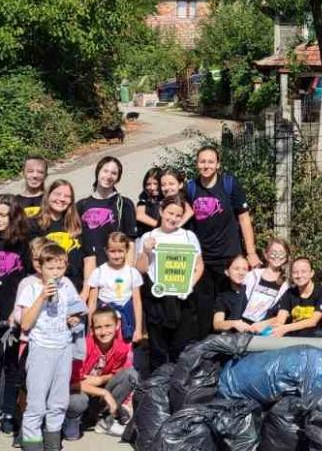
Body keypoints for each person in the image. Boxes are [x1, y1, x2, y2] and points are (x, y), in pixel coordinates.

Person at [14, 242, 85, 451]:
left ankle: (52, 450)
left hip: (63, 347)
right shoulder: (31, 289)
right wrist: (42, 297)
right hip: (41, 349)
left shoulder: (67, 286)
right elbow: (25, 323)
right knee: (36, 404)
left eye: (61, 267)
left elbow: (76, 311)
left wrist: (73, 319)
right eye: (51, 267)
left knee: (59, 401)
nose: (56, 273)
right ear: (40, 266)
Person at [188, 145, 258, 338]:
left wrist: (250, 252)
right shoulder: (191, 188)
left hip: (228, 256)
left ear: (218, 164)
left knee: (230, 303)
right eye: (202, 161)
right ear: (197, 164)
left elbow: (244, 219)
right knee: (203, 306)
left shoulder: (229, 184)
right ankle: (204, 346)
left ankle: (231, 345)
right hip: (202, 259)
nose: (206, 165)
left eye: (210, 161)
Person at [0, 194, 32, 438]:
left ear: (14, 216)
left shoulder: (23, 244)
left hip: (15, 314)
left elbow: (31, 280)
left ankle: (9, 412)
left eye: (4, 215)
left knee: (12, 368)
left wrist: (20, 310)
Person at [136, 193, 205, 366]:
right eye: (170, 213)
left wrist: (189, 285)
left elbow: (199, 266)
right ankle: (156, 387)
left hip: (182, 299)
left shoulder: (189, 236)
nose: (173, 218)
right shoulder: (148, 236)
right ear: (161, 211)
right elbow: (140, 270)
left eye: (178, 215)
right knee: (158, 349)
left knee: (180, 347)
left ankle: (178, 387)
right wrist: (145, 252)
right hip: (157, 300)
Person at [66, 308, 138, 439]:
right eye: (98, 327)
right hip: (80, 393)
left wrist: (101, 380)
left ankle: (105, 419)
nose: (104, 332)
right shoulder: (83, 346)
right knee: (78, 400)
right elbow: (70, 384)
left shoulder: (121, 348)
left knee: (131, 374)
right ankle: (72, 419)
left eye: (108, 326)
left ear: (117, 326)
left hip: (98, 392)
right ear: (92, 330)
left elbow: (116, 374)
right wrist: (104, 392)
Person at [76, 156, 138, 282]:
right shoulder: (82, 205)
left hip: (114, 269)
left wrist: (128, 273)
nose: (109, 176)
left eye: (114, 173)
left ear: (118, 178)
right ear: (98, 171)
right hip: (87, 269)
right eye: (105, 171)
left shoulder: (124, 204)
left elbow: (130, 242)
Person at [85, 232, 146, 344]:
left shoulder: (133, 273)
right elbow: (92, 302)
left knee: (125, 350)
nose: (117, 255)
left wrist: (138, 329)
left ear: (126, 251)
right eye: (112, 251)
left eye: (120, 251)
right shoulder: (99, 272)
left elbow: (137, 302)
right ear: (106, 251)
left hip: (126, 317)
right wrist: (90, 327)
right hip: (104, 318)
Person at [37, 180, 85, 291]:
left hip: (74, 288)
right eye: (57, 194)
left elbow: (88, 259)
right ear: (48, 195)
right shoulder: (34, 224)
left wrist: (85, 292)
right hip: (44, 289)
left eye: (67, 196)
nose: (62, 199)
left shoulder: (78, 225)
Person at [278, 256, 322, 336]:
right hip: (294, 337)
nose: (299, 275)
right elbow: (280, 320)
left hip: (316, 338)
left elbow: (313, 321)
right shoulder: (289, 293)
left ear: (312, 273)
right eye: (295, 272)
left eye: (303, 272)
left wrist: (285, 328)